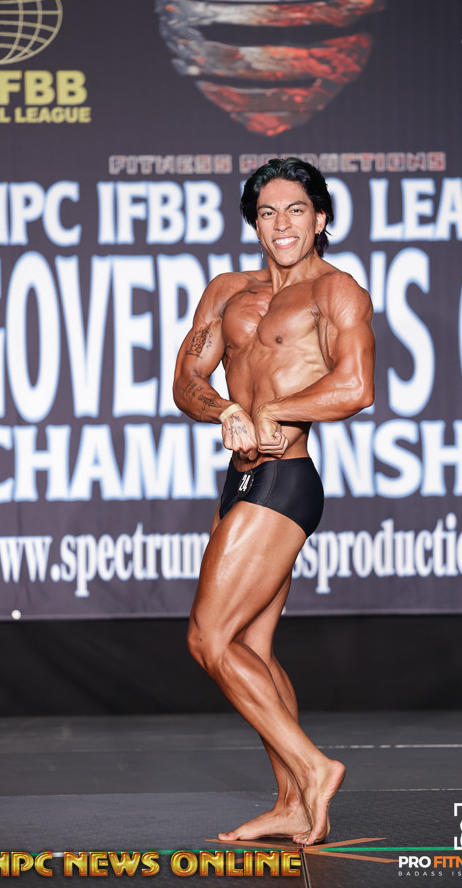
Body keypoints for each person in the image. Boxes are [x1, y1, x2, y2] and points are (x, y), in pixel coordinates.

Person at [173, 157, 375, 846]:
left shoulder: (336, 291)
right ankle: (292, 802)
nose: (281, 224)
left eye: (295, 210)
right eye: (267, 212)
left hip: (284, 480)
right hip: (238, 478)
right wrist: (225, 409)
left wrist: (275, 410)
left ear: (320, 219)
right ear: (254, 223)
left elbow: (356, 386)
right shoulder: (228, 291)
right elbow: (187, 379)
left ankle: (314, 769)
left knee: (208, 638)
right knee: (250, 646)